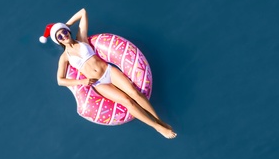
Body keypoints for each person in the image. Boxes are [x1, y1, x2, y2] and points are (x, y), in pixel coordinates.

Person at [39, 8, 177, 139]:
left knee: (135, 93)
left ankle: (159, 121)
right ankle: (157, 127)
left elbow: (83, 12)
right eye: (60, 36)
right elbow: (60, 80)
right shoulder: (65, 57)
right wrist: (82, 82)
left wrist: (65, 24)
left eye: (64, 32)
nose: (64, 35)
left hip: (109, 71)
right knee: (128, 101)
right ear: (58, 41)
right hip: (99, 83)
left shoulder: (81, 39)